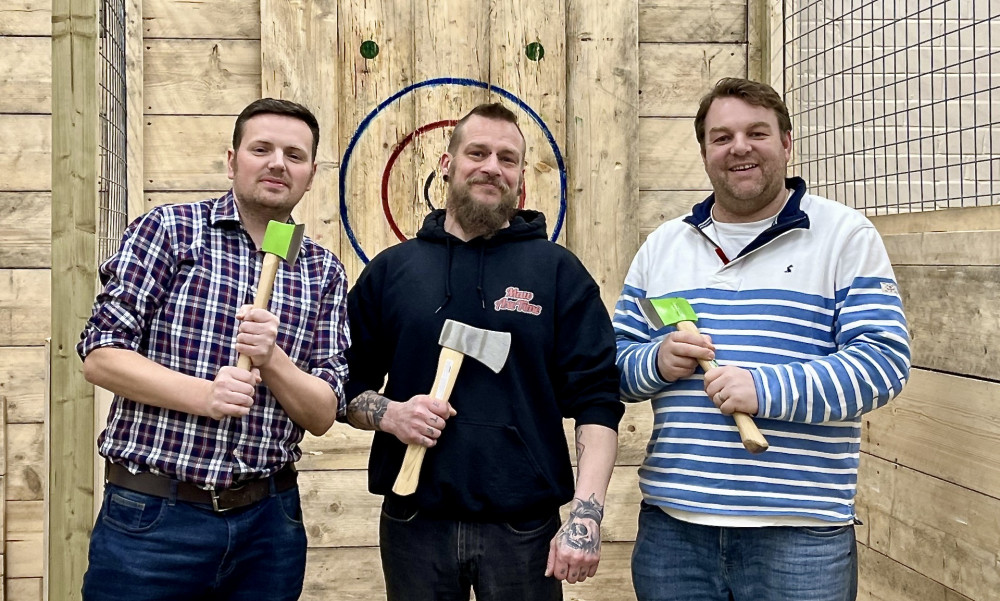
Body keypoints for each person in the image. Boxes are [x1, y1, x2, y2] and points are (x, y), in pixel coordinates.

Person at [614, 77, 911, 601]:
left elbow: (883, 363)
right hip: (674, 530)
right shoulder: (663, 247)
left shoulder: (844, 235)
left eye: (757, 132)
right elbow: (614, 366)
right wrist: (657, 362)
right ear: (705, 151)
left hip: (800, 536)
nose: (740, 148)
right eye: (722, 137)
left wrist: (764, 389)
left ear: (787, 142)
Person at [343, 102, 624, 600]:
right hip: (413, 520)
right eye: (477, 152)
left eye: (508, 158)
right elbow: (344, 386)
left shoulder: (557, 272)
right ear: (446, 165)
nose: (492, 166)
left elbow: (597, 399)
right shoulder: (392, 271)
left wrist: (586, 513)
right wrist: (389, 414)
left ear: (520, 178)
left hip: (525, 528)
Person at [77, 98, 350, 600]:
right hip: (153, 520)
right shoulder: (171, 231)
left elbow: (322, 413)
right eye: (261, 149)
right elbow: (101, 354)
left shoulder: (320, 269)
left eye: (295, 155)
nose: (277, 163)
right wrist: (204, 396)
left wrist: (273, 359)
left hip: (270, 527)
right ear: (232, 161)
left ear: (311, 175)